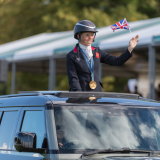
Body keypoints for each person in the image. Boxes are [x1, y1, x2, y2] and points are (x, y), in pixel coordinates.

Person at [66, 20, 139, 92]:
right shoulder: (71, 55)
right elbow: (73, 78)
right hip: (81, 94)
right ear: (78, 35)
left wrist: (129, 49)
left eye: (92, 35)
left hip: (97, 93)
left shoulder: (97, 51)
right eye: (87, 35)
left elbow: (117, 61)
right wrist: (79, 95)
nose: (90, 37)